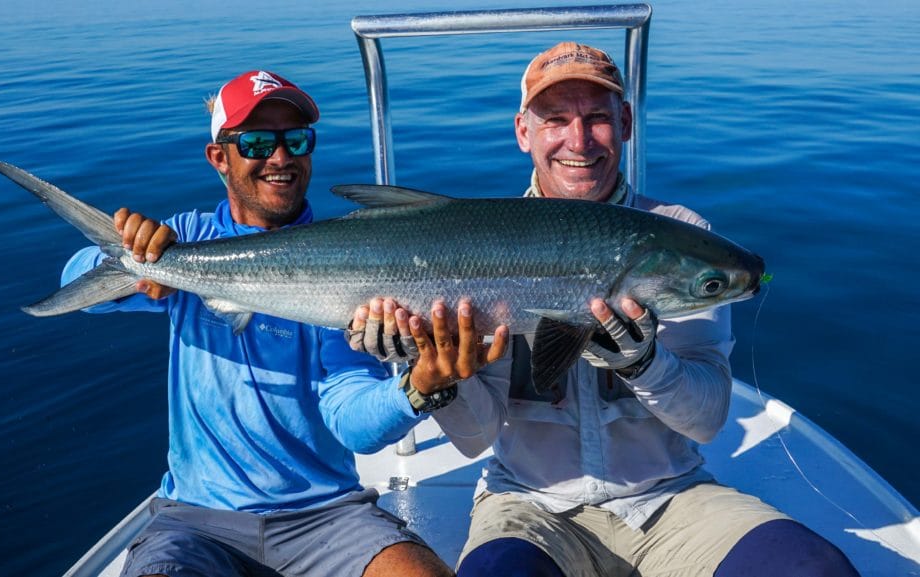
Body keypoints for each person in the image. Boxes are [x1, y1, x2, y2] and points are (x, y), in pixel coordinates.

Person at [350, 43, 859, 576]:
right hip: (529, 506)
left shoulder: (686, 236)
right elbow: (477, 437)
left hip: (671, 500)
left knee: (815, 569)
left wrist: (644, 363)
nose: (578, 140)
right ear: (523, 131)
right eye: (556, 120)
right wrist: (430, 371)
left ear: (626, 123)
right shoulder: (486, 246)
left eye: (597, 118)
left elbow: (706, 420)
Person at [62, 69, 505, 577]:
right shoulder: (183, 241)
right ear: (218, 158)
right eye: (256, 142)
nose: (280, 157)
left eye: (296, 139)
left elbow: (350, 420)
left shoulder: (350, 265)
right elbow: (83, 290)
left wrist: (422, 386)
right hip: (196, 522)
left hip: (329, 519)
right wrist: (131, 258)